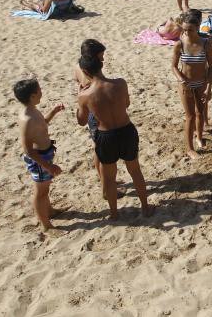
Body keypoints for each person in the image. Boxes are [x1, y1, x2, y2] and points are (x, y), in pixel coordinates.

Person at [76, 54, 152, 220]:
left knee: (109, 178)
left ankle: (114, 214)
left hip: (106, 135)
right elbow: (126, 104)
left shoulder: (85, 95)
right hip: (126, 130)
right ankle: (146, 208)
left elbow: (81, 121)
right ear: (101, 65)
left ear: (85, 71)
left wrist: (79, 97)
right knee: (135, 171)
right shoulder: (120, 83)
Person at [14, 79, 65, 232]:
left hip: (45, 155)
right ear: (32, 96)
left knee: (45, 189)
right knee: (40, 193)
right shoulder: (27, 119)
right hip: (39, 159)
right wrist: (48, 166)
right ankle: (46, 225)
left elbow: (43, 123)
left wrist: (53, 112)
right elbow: (28, 150)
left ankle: (50, 211)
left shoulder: (33, 110)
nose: (42, 92)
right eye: (39, 90)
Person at [172, 11, 212, 158]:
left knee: (200, 113)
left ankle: (199, 138)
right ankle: (189, 149)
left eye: (190, 30)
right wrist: (183, 81)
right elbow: (174, 67)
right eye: (184, 30)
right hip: (186, 84)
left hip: (201, 83)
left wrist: (209, 87)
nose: (186, 33)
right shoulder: (180, 44)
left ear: (197, 28)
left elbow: (211, 67)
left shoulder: (206, 44)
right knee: (190, 116)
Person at [74, 39, 106, 182]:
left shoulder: (77, 66)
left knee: (98, 147)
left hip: (89, 109)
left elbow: (78, 83)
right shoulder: (90, 73)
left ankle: (102, 176)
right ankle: (104, 179)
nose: (103, 59)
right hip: (95, 112)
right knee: (101, 150)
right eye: (101, 56)